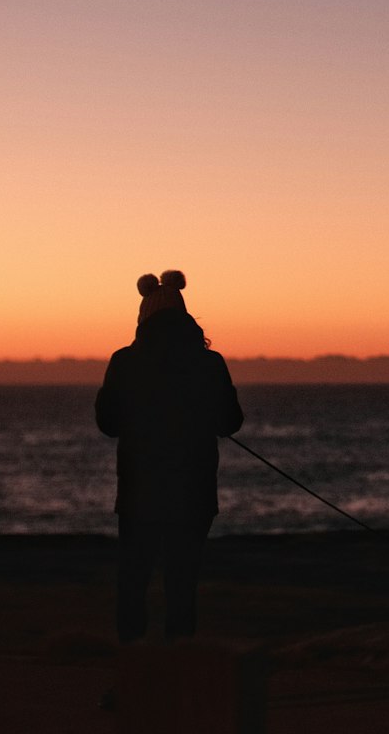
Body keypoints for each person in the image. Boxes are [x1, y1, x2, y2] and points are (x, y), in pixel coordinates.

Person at [95, 270, 243, 645]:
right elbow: (230, 422)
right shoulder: (209, 363)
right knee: (182, 583)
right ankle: (177, 672)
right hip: (193, 490)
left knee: (133, 580)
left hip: (138, 489)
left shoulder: (125, 361)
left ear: (143, 317)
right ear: (185, 315)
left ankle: (132, 673)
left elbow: (107, 424)